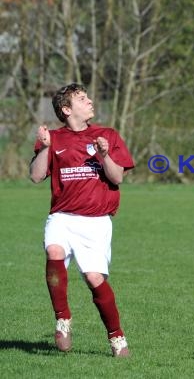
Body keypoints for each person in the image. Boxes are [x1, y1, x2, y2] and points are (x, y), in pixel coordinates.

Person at [29, 83, 134, 357]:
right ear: (66, 110)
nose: (90, 101)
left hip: (96, 222)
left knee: (94, 278)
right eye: (82, 98)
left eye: (88, 96)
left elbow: (118, 177)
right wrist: (44, 149)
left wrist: (104, 154)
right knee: (54, 251)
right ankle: (63, 318)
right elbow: (36, 176)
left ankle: (116, 336)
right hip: (62, 217)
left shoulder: (106, 135)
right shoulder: (53, 138)